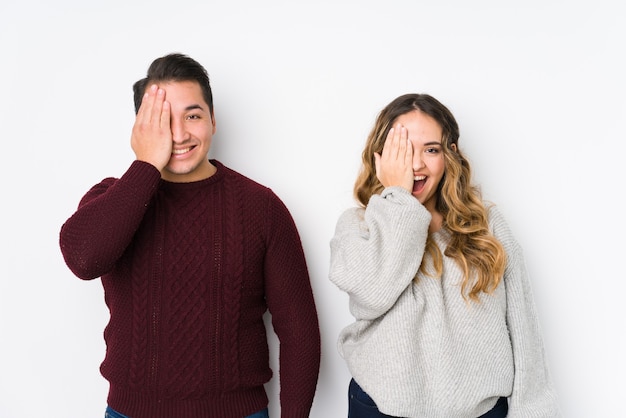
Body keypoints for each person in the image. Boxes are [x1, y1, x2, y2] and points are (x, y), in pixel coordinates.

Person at [59, 53, 321, 418]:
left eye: (192, 116)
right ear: (141, 128)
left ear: (213, 121)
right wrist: (146, 165)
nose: (179, 134)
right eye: (163, 121)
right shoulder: (112, 199)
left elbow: (300, 332)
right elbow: (85, 260)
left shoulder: (262, 208)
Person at [329, 93, 561, 418]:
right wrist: (398, 200)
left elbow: (523, 329)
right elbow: (372, 295)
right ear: (381, 157)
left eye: (431, 149)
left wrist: (533, 411)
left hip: (481, 411)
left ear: (450, 154)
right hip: (383, 409)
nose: (416, 164)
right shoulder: (357, 225)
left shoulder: (487, 225)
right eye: (404, 149)